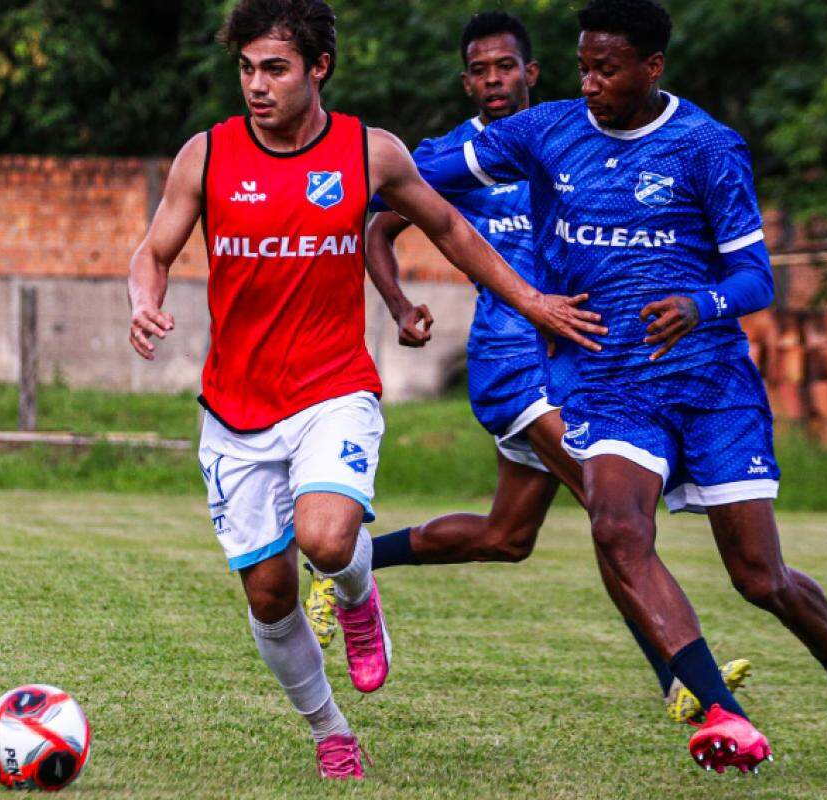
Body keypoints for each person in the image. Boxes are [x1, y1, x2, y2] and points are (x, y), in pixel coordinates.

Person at [399, 0, 827, 783]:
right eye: (583, 65)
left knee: (760, 579)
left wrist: (701, 305)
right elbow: (408, 178)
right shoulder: (546, 131)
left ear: (652, 68)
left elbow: (755, 278)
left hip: (710, 384)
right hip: (611, 381)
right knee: (617, 527)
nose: (590, 83)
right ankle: (718, 711)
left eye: (608, 69)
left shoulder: (706, 148)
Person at [126, 0, 602, 781]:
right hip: (235, 409)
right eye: (245, 68)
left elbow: (450, 229)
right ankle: (330, 729)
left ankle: (355, 592)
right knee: (271, 596)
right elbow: (154, 250)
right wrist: (143, 300)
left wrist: (530, 300)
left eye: (274, 68)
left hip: (333, 388)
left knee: (325, 538)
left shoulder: (367, 153)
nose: (256, 85)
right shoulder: (205, 157)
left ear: (318, 68)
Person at [303, 9, 752, 727]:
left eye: (504, 67)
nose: (492, 81)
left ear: (531, 73)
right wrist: (397, 304)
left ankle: (348, 560)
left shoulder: (562, 140)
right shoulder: (452, 157)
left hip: (575, 359)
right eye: (478, 71)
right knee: (612, 512)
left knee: (506, 538)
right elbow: (378, 222)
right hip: (513, 362)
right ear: (466, 81)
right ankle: (683, 681)